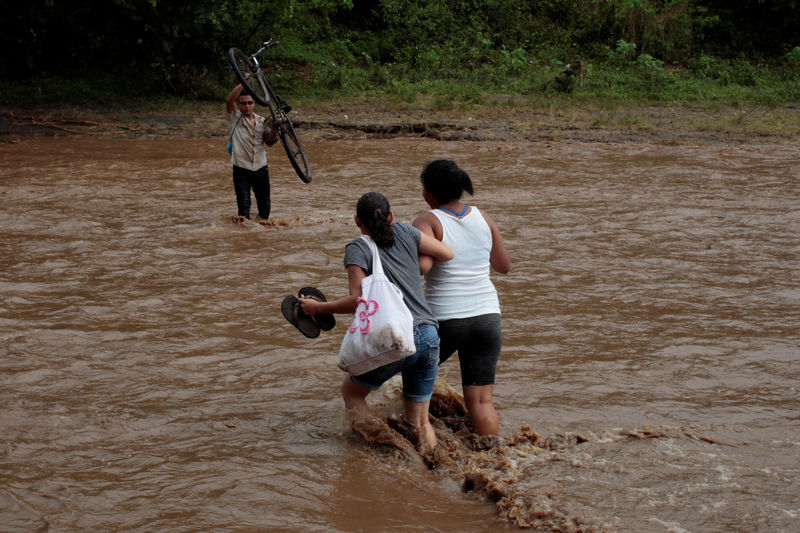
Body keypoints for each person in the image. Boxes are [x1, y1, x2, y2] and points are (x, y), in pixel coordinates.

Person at [299, 192, 453, 450]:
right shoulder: (406, 232)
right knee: (420, 422)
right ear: (391, 216)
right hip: (429, 335)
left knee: (352, 393)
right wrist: (417, 268)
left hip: (396, 338)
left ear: (358, 221)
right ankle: (433, 472)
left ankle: (384, 451)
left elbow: (357, 301)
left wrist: (316, 308)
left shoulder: (358, 248)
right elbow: (446, 253)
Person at [412, 159, 511, 436]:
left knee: (410, 378)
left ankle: (422, 447)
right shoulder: (484, 217)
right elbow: (504, 266)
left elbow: (423, 268)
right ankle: (493, 459)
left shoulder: (427, 221)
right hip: (487, 317)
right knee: (481, 401)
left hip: (446, 319)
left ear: (429, 192)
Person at [226, 83, 279, 221]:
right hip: (241, 168)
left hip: (261, 167)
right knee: (243, 208)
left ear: (254, 103)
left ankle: (258, 229)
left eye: (250, 102)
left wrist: (275, 130)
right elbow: (229, 100)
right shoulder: (235, 118)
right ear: (238, 104)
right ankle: (244, 234)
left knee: (265, 208)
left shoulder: (262, 121)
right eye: (243, 103)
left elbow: (269, 142)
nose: (247, 106)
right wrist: (244, 81)